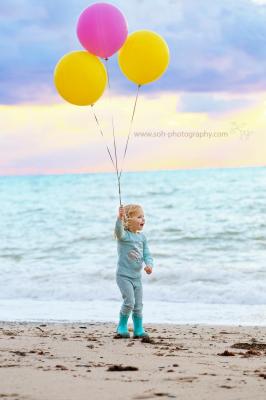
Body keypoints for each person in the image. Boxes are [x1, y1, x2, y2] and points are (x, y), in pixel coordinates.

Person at [114, 204, 153, 338]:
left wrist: (149, 265)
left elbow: (147, 254)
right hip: (123, 276)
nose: (143, 219)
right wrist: (119, 218)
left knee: (138, 304)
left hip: (137, 278)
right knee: (129, 302)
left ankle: (138, 329)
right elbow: (119, 231)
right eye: (139, 217)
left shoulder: (142, 238)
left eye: (143, 217)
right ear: (129, 219)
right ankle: (122, 326)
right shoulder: (124, 236)